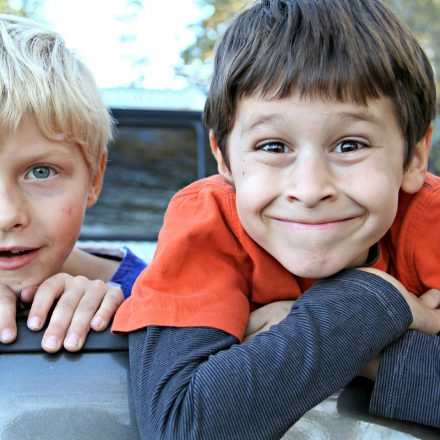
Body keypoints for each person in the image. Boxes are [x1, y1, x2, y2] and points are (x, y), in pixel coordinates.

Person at [113, 0, 440, 437]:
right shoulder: (209, 223)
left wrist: (330, 342)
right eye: (272, 147)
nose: (308, 189)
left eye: (350, 145)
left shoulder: (429, 221)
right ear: (224, 159)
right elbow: (184, 424)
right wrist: (371, 301)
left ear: (414, 157)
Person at [0, 13, 146, 353]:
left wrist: (120, 315)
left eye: (40, 171)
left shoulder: (155, 298)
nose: (6, 216)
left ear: (94, 177)